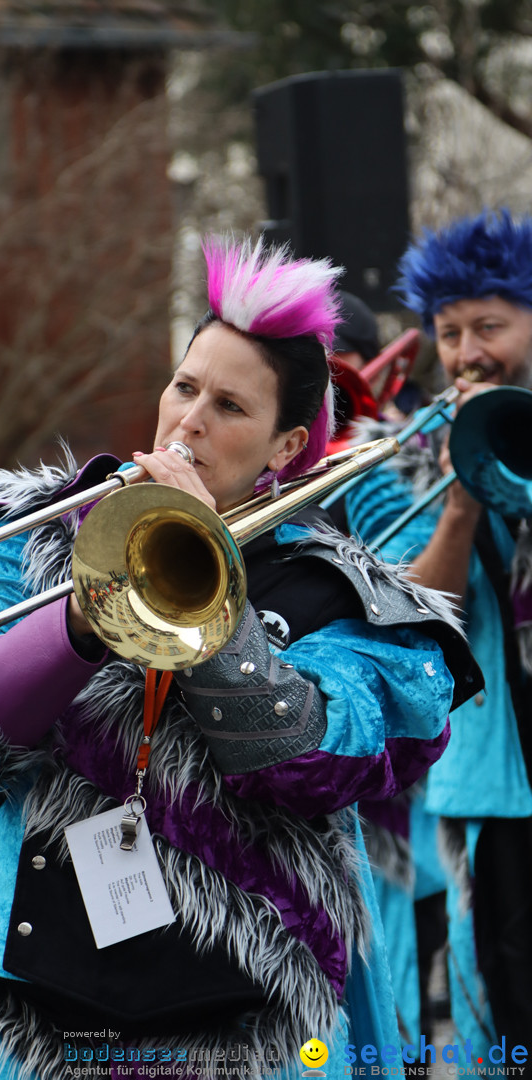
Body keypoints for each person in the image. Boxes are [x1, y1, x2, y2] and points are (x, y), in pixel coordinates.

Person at [0, 236, 480, 1080]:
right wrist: (85, 621)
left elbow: (310, 762)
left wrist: (212, 598)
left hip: (256, 1009)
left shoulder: (343, 590)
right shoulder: (28, 535)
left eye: (231, 407)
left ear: (285, 445)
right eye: (185, 387)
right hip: (24, 998)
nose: (191, 419)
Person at [345, 209, 532, 1052]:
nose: (467, 352)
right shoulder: (406, 455)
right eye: (449, 333)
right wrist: (463, 496)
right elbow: (412, 616)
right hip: (499, 791)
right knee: (510, 1003)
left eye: (489, 325)